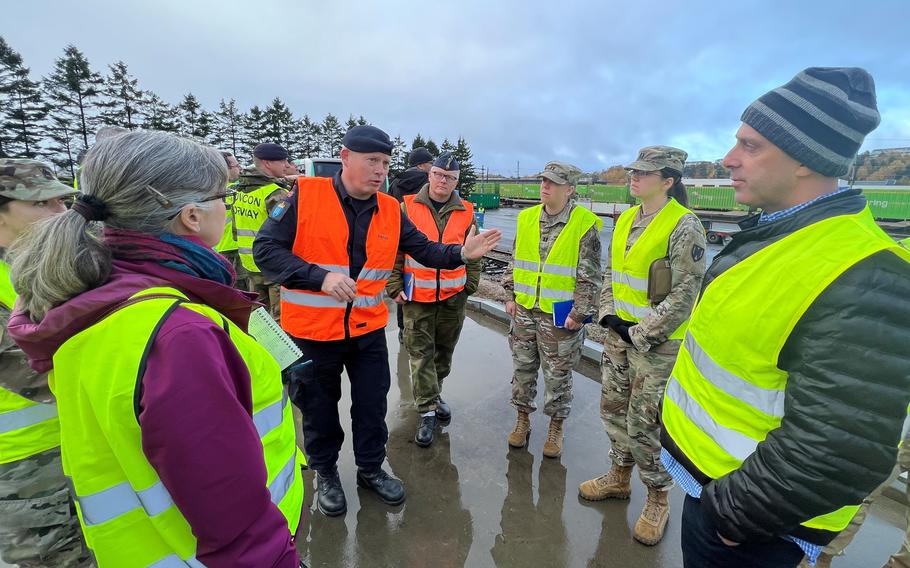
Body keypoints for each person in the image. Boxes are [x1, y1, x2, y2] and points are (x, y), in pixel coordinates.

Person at [7, 131, 305, 567]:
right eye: (222, 195)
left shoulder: (101, 291)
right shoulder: (178, 334)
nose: (228, 205)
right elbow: (226, 507)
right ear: (192, 215)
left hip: (149, 545)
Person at [659, 67, 910, 568]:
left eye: (750, 146)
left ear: (805, 159)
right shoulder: (777, 236)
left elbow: (842, 448)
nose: (729, 159)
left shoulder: (866, 273)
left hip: (746, 526)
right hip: (714, 488)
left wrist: (730, 518)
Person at [253, 125, 500, 518]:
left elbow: (424, 249)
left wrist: (461, 253)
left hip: (366, 331)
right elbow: (264, 250)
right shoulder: (303, 196)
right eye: (372, 161)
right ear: (345, 156)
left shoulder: (390, 209)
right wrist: (320, 277)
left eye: (385, 163)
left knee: (371, 405)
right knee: (319, 410)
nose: (380, 170)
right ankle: (328, 473)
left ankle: (370, 468)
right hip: (313, 333)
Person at [579, 146, 706, 546]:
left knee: (646, 423)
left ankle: (657, 497)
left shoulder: (685, 225)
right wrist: (606, 316)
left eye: (644, 173)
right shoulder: (627, 218)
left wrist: (638, 332)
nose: (634, 177)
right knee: (614, 411)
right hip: (619, 338)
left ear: (668, 181)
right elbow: (612, 274)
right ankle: (619, 477)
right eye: (633, 171)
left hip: (656, 346)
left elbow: (686, 292)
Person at [0, 159, 93, 567]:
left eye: (62, 201)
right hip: (24, 472)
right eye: (42, 204)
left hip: (74, 447)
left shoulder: (34, 267)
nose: (61, 213)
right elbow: (36, 372)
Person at [502, 161, 602, 458]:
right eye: (544, 181)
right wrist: (509, 293)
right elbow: (516, 259)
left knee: (558, 375)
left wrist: (580, 313)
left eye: (554, 182)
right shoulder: (526, 218)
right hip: (524, 309)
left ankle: (556, 427)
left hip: (560, 316)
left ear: (570, 189)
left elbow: (590, 275)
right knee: (522, 369)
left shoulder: (585, 223)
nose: (545, 186)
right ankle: (522, 420)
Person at [385, 152, 481, 447]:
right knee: (420, 354)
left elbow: (474, 250)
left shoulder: (466, 211)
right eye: (438, 174)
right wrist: (393, 282)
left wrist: (470, 284)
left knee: (443, 354)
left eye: (450, 178)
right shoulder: (406, 207)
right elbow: (394, 250)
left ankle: (433, 393)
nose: (443, 181)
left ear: (456, 181)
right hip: (418, 298)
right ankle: (426, 411)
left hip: (453, 298)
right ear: (429, 175)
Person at [234, 142, 294, 318]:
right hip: (273, 265)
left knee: (258, 318)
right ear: (268, 163)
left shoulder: (241, 190)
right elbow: (288, 230)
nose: (287, 165)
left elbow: (236, 230)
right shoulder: (274, 194)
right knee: (281, 319)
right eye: (283, 161)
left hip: (249, 264)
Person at [215, 151, 245, 289]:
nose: (239, 169)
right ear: (225, 168)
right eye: (236, 166)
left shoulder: (212, 188)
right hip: (232, 248)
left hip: (227, 247)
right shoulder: (233, 189)